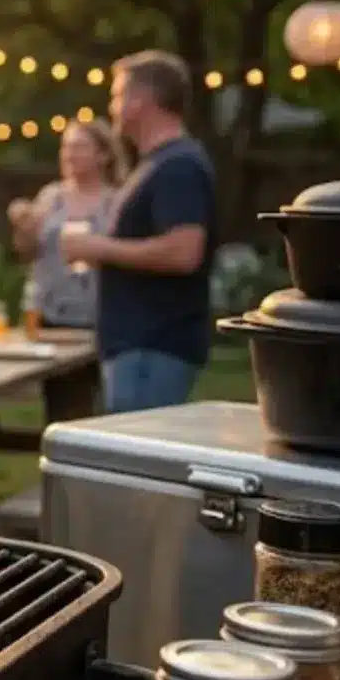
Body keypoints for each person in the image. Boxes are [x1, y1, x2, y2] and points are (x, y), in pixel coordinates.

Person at [61, 51, 217, 413]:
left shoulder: (179, 166)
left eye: (117, 95)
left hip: (153, 348)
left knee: (134, 447)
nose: (112, 107)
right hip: (137, 347)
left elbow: (184, 253)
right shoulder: (155, 164)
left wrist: (98, 248)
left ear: (141, 101)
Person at [9, 119, 127, 332]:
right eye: (66, 147)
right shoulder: (50, 196)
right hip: (47, 315)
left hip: (101, 317)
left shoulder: (117, 201)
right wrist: (23, 226)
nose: (70, 155)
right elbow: (26, 252)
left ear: (103, 155)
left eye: (79, 147)